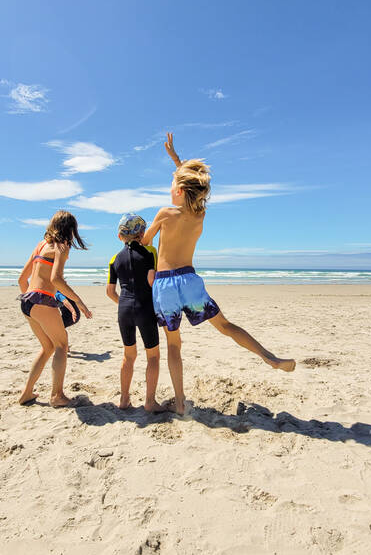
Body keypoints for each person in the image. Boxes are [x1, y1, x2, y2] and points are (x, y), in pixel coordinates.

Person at [142, 133, 295, 415]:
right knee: (225, 326)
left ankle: (179, 403)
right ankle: (269, 357)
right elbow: (193, 186)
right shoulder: (199, 216)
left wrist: (145, 238)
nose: (170, 184)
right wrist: (178, 161)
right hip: (189, 280)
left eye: (173, 181)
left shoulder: (164, 213)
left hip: (164, 285)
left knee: (174, 345)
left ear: (178, 189)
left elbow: (145, 242)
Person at [17, 210, 93, 406]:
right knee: (61, 345)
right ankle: (57, 396)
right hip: (41, 301)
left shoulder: (41, 245)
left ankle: (26, 393)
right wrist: (78, 301)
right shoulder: (62, 247)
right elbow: (56, 279)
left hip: (27, 301)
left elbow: (21, 279)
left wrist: (31, 302)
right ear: (70, 230)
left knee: (48, 347)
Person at [106, 213, 165, 412]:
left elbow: (110, 292)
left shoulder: (114, 259)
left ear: (120, 236)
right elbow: (150, 281)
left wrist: (124, 303)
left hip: (124, 309)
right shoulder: (150, 253)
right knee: (153, 357)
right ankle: (149, 402)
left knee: (128, 356)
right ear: (142, 233)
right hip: (144, 307)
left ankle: (124, 399)